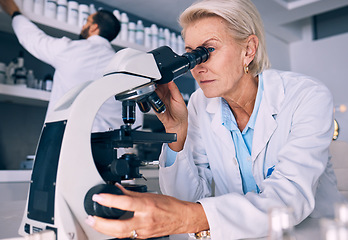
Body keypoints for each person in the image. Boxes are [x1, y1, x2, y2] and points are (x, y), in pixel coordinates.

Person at [80, 0, 347, 239]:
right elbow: (186, 201)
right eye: (190, 54)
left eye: (208, 50)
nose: (197, 65)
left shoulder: (306, 96)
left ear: (248, 50)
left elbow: (289, 200)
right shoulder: (199, 103)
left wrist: (186, 217)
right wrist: (177, 133)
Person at [0, 0, 143, 132]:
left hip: (70, 141)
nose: (83, 26)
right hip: (110, 148)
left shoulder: (70, 50)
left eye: (86, 21)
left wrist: (15, 13)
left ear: (94, 27)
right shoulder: (120, 65)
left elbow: (34, 39)